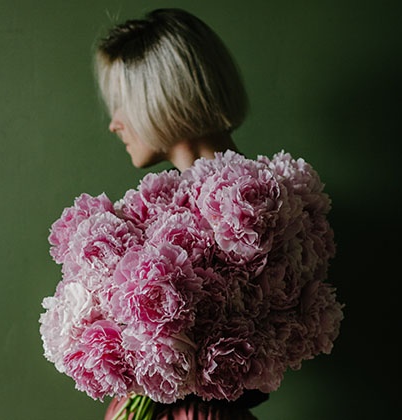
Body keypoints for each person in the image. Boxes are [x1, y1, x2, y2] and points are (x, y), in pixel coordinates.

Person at [95, 8, 268, 420]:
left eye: (122, 103)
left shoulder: (259, 214)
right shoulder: (164, 208)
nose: (114, 124)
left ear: (163, 97)